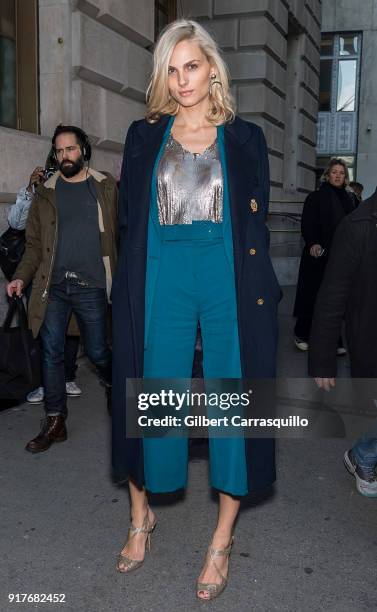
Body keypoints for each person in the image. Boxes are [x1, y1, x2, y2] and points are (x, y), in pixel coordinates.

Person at [111, 19, 281, 600]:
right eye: (172, 68)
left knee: (232, 398)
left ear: (213, 68)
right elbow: (130, 219)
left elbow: (252, 220)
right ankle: (141, 517)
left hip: (225, 271)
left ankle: (221, 539)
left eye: (192, 65)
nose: (183, 80)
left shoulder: (245, 137)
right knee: (150, 390)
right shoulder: (142, 135)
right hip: (163, 270)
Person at [6, 125, 118, 453]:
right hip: (52, 287)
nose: (65, 155)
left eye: (70, 149)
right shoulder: (46, 193)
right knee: (52, 353)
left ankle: (113, 383)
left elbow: (124, 232)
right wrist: (21, 278)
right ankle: (55, 420)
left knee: (98, 351)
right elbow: (34, 246)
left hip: (92, 286)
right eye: (59, 150)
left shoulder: (105, 186)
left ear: (83, 150)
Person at [308, 187, 377, 497]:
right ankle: (365, 454)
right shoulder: (357, 226)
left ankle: (365, 452)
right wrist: (322, 358)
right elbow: (333, 296)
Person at [7, 159, 82, 404]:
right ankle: (43, 383)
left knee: (71, 326)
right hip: (38, 273)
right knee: (40, 328)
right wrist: (31, 190)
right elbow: (15, 223)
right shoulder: (36, 191)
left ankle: (68, 375)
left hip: (68, 269)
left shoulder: (73, 186)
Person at [293, 158, 356, 352]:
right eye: (334, 172)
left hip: (341, 257)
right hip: (318, 255)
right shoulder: (316, 197)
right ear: (327, 175)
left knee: (335, 300)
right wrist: (313, 243)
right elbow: (308, 223)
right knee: (312, 296)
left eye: (342, 173)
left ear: (346, 177)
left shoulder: (350, 199)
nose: (338, 175)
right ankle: (302, 334)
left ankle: (334, 340)